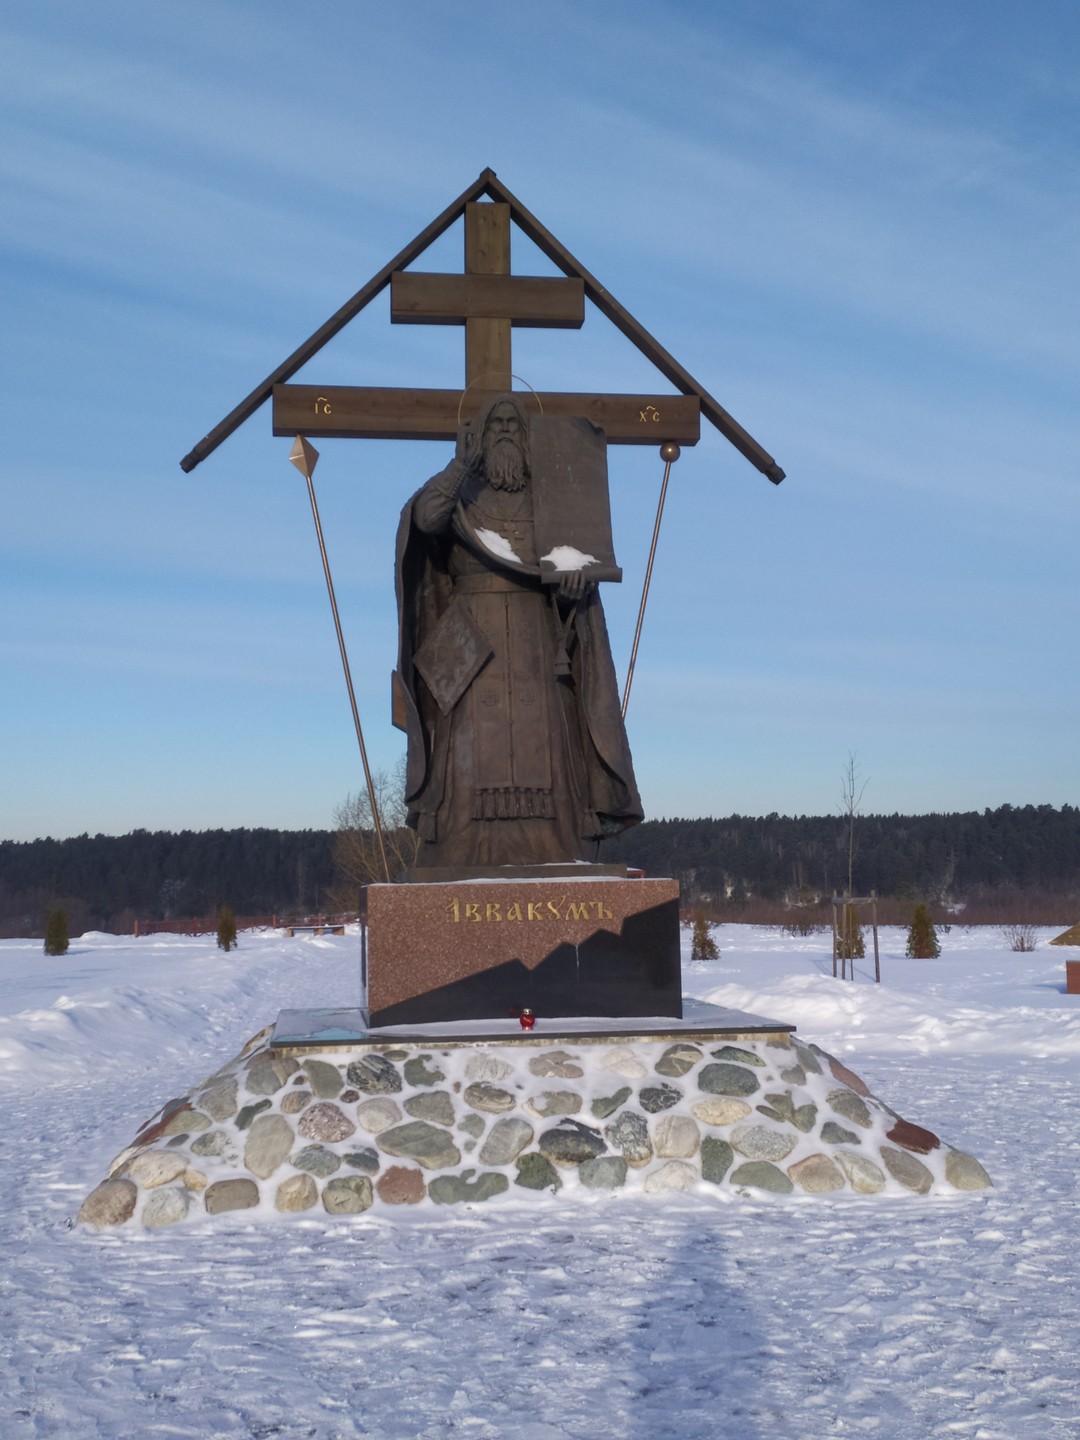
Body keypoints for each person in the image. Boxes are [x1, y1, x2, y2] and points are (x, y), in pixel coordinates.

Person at [393, 392, 642, 868]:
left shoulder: (551, 500)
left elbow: (569, 582)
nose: (505, 429)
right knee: (468, 748)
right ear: (478, 438)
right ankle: (459, 854)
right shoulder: (459, 495)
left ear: (529, 440)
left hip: (536, 642)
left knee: (546, 743)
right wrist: (460, 466)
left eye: (514, 423)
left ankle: (557, 849)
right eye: (495, 423)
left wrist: (571, 589)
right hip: (472, 644)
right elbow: (424, 519)